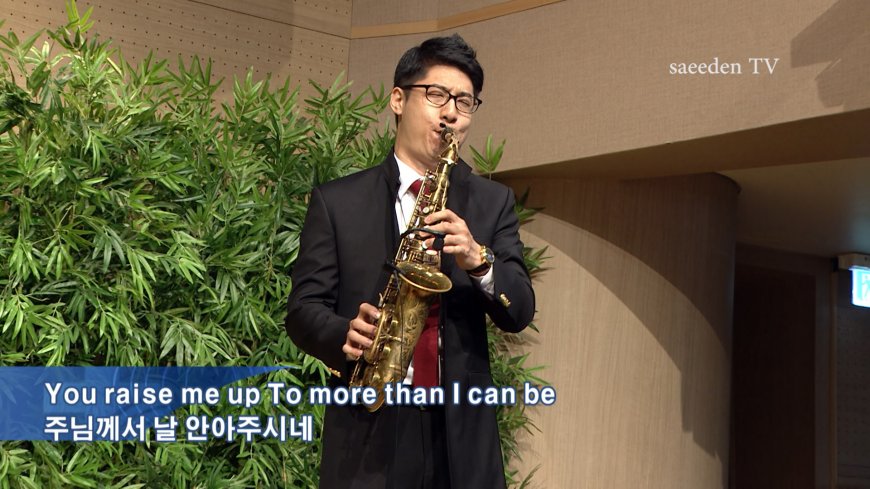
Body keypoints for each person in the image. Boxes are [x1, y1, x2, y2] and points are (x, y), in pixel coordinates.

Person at [285, 34, 535, 489]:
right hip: (368, 428)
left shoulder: (493, 202)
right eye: (437, 95)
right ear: (398, 100)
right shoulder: (338, 202)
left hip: (459, 436)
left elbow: (519, 310)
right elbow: (302, 311)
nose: (451, 113)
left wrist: (479, 259)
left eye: (464, 101)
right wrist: (345, 333)